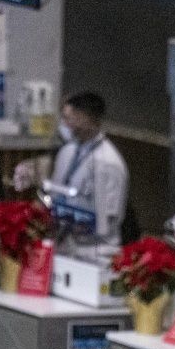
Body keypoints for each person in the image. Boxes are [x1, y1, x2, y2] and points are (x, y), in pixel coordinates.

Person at [51, 91, 132, 244]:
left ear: (86, 118)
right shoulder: (66, 152)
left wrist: (71, 222)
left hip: (94, 249)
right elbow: (56, 193)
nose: (65, 124)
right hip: (64, 242)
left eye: (69, 119)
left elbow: (106, 221)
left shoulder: (109, 163)